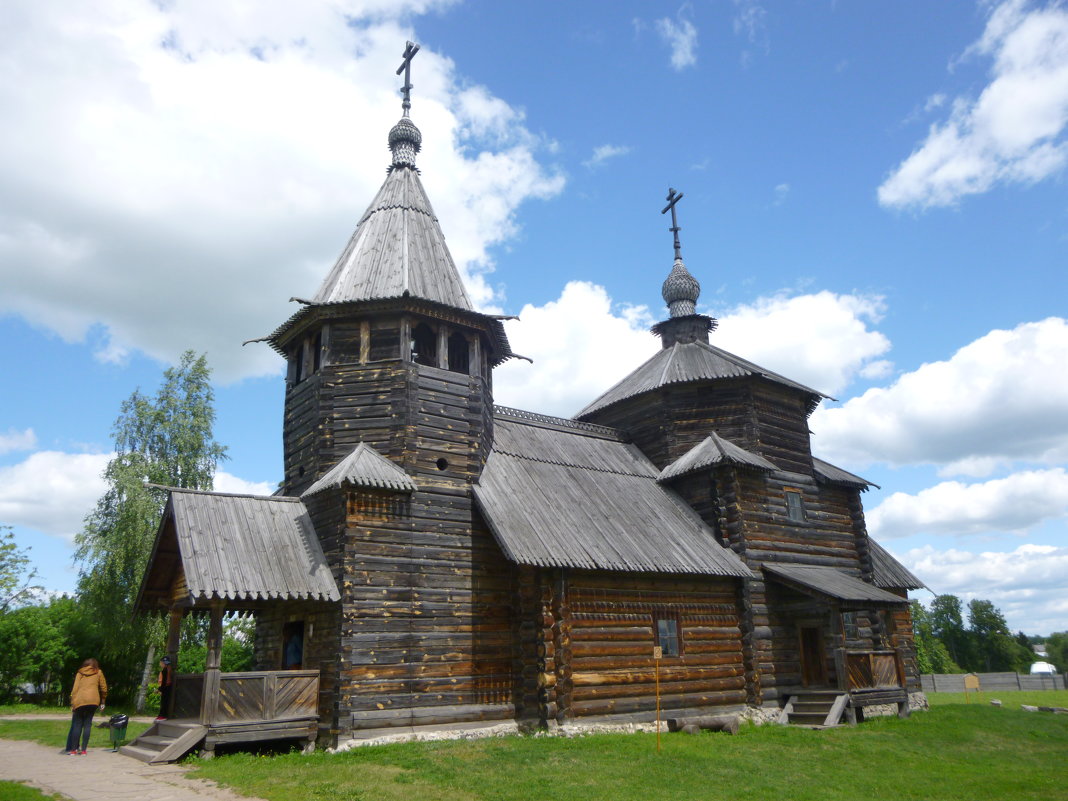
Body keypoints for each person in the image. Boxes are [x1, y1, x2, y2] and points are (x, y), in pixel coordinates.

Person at [65, 658, 107, 755]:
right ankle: (84, 750)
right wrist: (103, 701)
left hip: (80, 700)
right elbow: (103, 688)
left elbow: (75, 689)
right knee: (88, 724)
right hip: (93, 701)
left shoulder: (80, 673)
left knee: (77, 724)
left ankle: (73, 750)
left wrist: (73, 702)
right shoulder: (99, 672)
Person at [156, 655, 174, 721]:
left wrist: (159, 689)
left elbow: (164, 681)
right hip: (166, 687)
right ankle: (161, 715)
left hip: (165, 688)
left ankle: (162, 716)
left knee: (164, 703)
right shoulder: (168, 670)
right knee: (164, 702)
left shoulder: (165, 671)